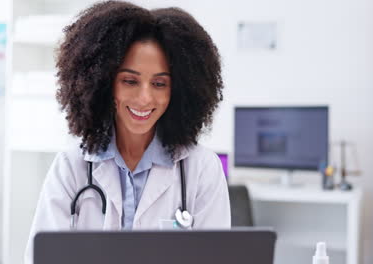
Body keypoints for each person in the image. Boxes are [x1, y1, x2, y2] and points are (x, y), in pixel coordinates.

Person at [24, 1, 230, 263]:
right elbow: (40, 258)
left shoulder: (200, 169)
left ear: (178, 89)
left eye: (159, 83)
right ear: (103, 81)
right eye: (130, 81)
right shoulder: (71, 167)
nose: (144, 98)